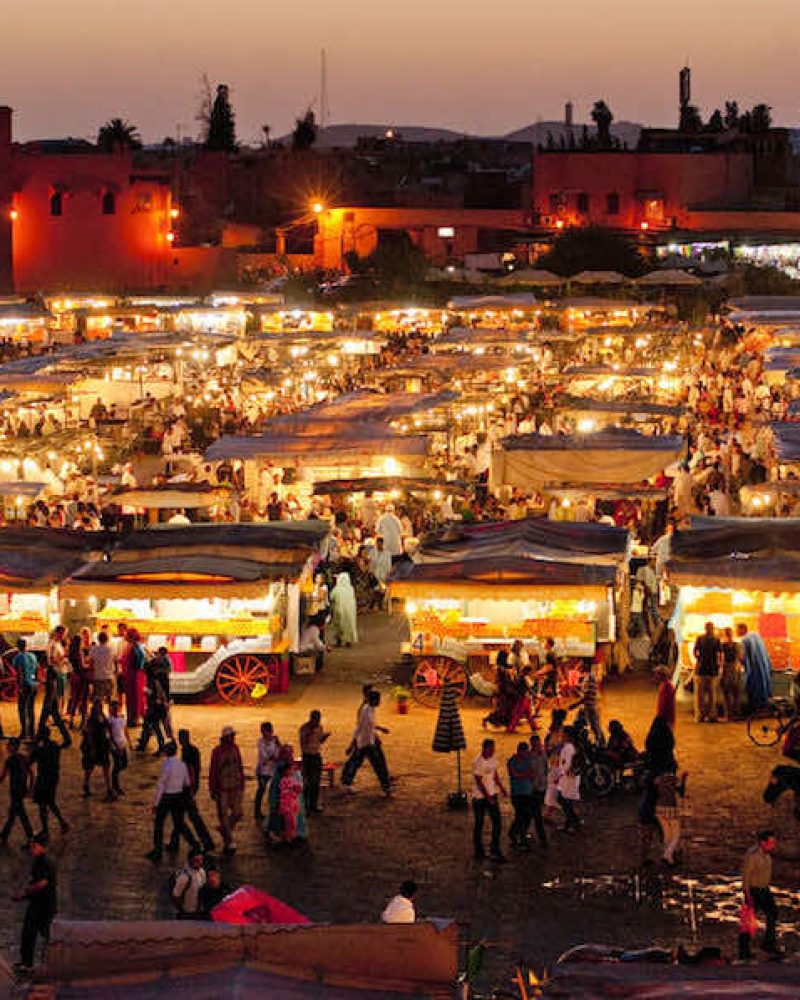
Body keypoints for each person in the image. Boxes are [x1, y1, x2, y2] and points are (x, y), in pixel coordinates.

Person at [12, 833, 56, 975]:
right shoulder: (40, 860)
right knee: (32, 933)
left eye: (32, 846)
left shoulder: (44, 861)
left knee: (34, 933)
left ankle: (29, 964)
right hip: (39, 903)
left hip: (42, 905)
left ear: (38, 846)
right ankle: (27, 962)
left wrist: (24, 892)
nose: (30, 849)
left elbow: (42, 883)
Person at [341, 689, 391, 795]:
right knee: (377, 764)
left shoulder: (371, 709)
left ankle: (346, 781)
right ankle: (386, 786)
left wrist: (380, 729)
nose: (379, 702)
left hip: (369, 741)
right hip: (365, 743)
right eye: (378, 700)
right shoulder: (365, 711)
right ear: (372, 700)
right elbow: (359, 728)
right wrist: (352, 743)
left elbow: (370, 725)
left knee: (356, 762)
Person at [148, 741, 191, 862]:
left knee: (159, 823)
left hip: (167, 797)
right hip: (178, 796)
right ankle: (180, 844)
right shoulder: (182, 764)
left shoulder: (166, 765)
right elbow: (187, 782)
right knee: (178, 822)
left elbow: (161, 785)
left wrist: (156, 803)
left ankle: (157, 850)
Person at [741, 829, 781, 958]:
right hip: (754, 889)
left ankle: (769, 944)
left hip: (764, 889)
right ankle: (744, 951)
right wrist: (747, 895)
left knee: (772, 914)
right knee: (749, 919)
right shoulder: (753, 856)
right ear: (763, 843)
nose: (773, 845)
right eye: (771, 842)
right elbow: (746, 876)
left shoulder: (767, 854)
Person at [209, 726, 245, 856]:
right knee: (223, 815)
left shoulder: (235, 748)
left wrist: (242, 783)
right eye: (231, 736)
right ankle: (229, 841)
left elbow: (239, 766)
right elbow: (213, 770)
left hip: (235, 786)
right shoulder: (217, 752)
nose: (233, 738)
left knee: (238, 813)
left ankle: (225, 829)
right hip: (222, 788)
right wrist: (212, 788)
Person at [178, 728, 215, 853]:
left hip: (187, 788)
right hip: (190, 786)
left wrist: (190, 787)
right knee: (185, 815)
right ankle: (204, 841)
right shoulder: (192, 749)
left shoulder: (187, 751)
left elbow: (191, 770)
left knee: (187, 816)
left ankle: (201, 842)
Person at [472, 738, 507, 862]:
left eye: (493, 748)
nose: (493, 750)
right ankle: (479, 850)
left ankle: (494, 848)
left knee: (497, 823)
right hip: (480, 798)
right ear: (485, 748)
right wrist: (488, 798)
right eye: (491, 748)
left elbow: (494, 773)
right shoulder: (478, 762)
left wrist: (501, 787)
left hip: (492, 794)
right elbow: (479, 782)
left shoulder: (492, 759)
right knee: (479, 823)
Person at [30, 728, 70, 838]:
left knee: (42, 805)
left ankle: (45, 830)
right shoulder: (55, 746)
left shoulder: (40, 749)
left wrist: (34, 745)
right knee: (50, 802)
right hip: (53, 777)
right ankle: (62, 823)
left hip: (43, 778)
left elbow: (30, 760)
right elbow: (67, 742)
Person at [38, 627, 71, 747]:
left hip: (56, 675)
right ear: (58, 633)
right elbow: (51, 660)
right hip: (53, 675)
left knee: (50, 708)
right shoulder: (53, 644)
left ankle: (39, 735)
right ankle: (65, 737)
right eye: (63, 634)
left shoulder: (57, 644)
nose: (64, 636)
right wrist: (63, 658)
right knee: (49, 707)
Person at [0, 737, 34, 846]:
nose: (7, 747)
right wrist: (30, 788)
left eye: (9, 745)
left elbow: (3, 776)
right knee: (14, 813)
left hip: (15, 791)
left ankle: (31, 838)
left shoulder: (9, 761)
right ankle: (4, 834)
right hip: (22, 789)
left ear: (13, 747)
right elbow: (31, 773)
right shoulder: (23, 758)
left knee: (20, 814)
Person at [654, 767, 687, 867]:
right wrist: (684, 779)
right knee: (676, 835)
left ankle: (670, 858)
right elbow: (681, 793)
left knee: (667, 834)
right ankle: (667, 855)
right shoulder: (673, 779)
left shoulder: (658, 779)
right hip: (671, 808)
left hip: (659, 808)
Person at [80, 699, 113, 800]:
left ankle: (109, 788)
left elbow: (107, 727)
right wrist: (92, 747)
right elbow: (89, 734)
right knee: (90, 767)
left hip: (103, 744)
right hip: (95, 745)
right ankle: (86, 784)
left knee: (106, 766)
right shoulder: (92, 720)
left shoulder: (103, 716)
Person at [299, 710, 330, 815]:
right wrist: (310, 732)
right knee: (307, 782)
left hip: (316, 755)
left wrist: (324, 737)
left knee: (315, 782)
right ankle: (305, 806)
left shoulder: (320, 727)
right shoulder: (304, 728)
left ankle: (313, 805)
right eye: (316, 720)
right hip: (307, 756)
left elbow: (320, 740)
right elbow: (303, 743)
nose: (317, 722)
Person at [737, 624, 773, 713]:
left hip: (753, 670)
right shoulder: (757, 636)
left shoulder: (745, 640)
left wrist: (738, 661)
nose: (736, 632)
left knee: (754, 690)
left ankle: (755, 710)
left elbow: (744, 657)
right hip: (764, 668)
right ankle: (764, 708)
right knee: (764, 689)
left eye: (737, 630)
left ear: (742, 629)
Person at [507, 741, 535, 850]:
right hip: (517, 793)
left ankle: (514, 832)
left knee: (526, 816)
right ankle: (521, 839)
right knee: (520, 816)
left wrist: (525, 775)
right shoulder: (512, 761)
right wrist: (526, 774)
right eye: (524, 752)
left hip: (527, 792)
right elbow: (514, 774)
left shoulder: (528, 760)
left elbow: (531, 773)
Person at [693, 622, 721, 723]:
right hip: (710, 670)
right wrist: (718, 664)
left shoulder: (701, 639)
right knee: (710, 695)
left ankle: (702, 715)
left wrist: (699, 659)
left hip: (703, 669)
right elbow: (719, 654)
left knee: (703, 695)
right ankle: (709, 715)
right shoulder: (715, 639)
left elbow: (695, 651)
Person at [556, 726, 582, 833]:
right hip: (569, 778)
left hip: (568, 778)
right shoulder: (571, 746)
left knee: (564, 800)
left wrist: (561, 774)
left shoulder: (568, 747)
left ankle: (572, 823)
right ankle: (571, 822)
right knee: (566, 801)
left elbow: (567, 764)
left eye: (562, 734)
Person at [571, 661, 603, 745]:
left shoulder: (589, 679)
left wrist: (574, 705)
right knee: (594, 726)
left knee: (595, 727)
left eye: (579, 667)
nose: (577, 668)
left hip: (590, 707)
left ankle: (599, 744)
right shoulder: (589, 678)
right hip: (589, 707)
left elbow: (585, 696)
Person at [254, 722, 280, 821]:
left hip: (272, 770)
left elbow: (277, 753)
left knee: (273, 791)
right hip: (263, 771)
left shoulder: (274, 741)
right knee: (261, 790)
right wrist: (274, 757)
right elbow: (265, 756)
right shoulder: (261, 742)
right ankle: (257, 812)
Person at [171, 847, 207, 919]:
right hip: (187, 913)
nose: (200, 863)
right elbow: (175, 896)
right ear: (190, 860)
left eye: (201, 860)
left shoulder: (202, 872)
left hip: (198, 911)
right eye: (196, 860)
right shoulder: (184, 877)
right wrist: (183, 911)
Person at [13, 638, 38, 740]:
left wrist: (20, 687)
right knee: (31, 708)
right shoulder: (33, 656)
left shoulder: (18, 657)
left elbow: (20, 672)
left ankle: (24, 732)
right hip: (34, 684)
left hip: (25, 685)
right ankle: (31, 732)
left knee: (22, 709)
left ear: (18, 646)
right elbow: (36, 669)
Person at [108, 700, 131, 798]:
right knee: (117, 765)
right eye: (113, 707)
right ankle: (115, 786)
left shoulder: (122, 718)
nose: (115, 709)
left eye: (117, 707)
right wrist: (116, 747)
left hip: (123, 744)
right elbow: (110, 735)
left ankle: (115, 783)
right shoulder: (110, 720)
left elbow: (125, 730)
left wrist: (129, 743)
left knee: (124, 764)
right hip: (115, 746)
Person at [88, 630, 117, 706]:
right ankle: (111, 716)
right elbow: (116, 662)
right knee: (110, 698)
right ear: (107, 639)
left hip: (98, 677)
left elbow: (91, 663)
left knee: (98, 699)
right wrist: (115, 673)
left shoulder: (94, 649)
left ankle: (99, 715)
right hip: (109, 676)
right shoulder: (112, 649)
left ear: (98, 639)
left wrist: (91, 675)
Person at [330, 571, 358, 646]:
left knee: (338, 625)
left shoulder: (336, 589)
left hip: (339, 609)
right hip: (350, 610)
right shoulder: (351, 589)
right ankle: (348, 641)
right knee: (349, 624)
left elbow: (332, 597)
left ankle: (339, 640)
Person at [720, 627, 741, 722]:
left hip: (727, 669)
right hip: (734, 669)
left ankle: (728, 715)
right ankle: (735, 714)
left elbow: (720, 659)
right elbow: (740, 657)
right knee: (735, 693)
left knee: (727, 693)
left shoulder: (723, 646)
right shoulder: (737, 645)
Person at [655, 665, 677, 730]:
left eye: (657, 674)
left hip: (666, 716)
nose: (656, 676)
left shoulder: (666, 686)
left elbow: (664, 703)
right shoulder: (665, 685)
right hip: (666, 716)